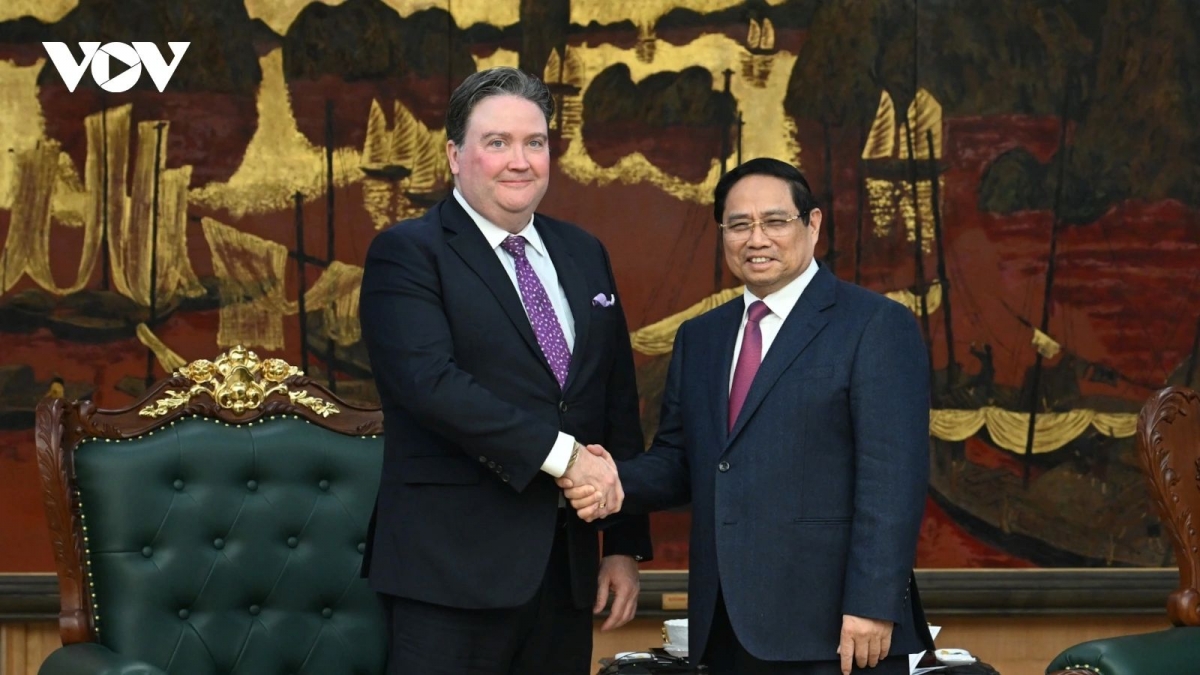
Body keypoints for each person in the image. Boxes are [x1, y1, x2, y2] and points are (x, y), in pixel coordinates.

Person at [561, 158, 934, 675]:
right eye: (739, 225)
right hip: (725, 627)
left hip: (837, 631)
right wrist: (609, 479)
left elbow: (893, 480)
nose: (756, 239)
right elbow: (680, 461)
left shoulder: (875, 325)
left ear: (813, 224)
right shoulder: (701, 337)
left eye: (775, 221)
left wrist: (873, 603)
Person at [358, 66, 652, 675]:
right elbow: (430, 385)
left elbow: (615, 398)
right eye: (497, 143)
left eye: (534, 143)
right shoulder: (408, 253)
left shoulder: (583, 252)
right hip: (449, 575)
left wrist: (623, 545)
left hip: (565, 573)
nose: (520, 161)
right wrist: (566, 457)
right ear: (455, 156)